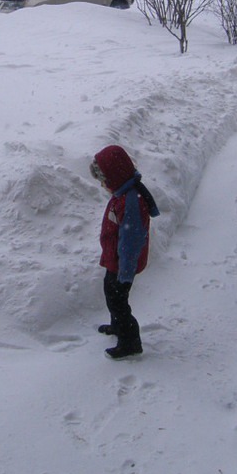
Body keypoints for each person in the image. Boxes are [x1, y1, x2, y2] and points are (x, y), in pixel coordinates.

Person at [91, 144, 160, 359]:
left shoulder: (130, 201)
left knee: (118, 300)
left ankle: (130, 342)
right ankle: (117, 325)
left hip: (123, 263)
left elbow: (131, 241)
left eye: (104, 181)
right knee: (110, 294)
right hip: (116, 260)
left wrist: (125, 272)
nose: (103, 185)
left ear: (114, 177)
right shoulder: (124, 192)